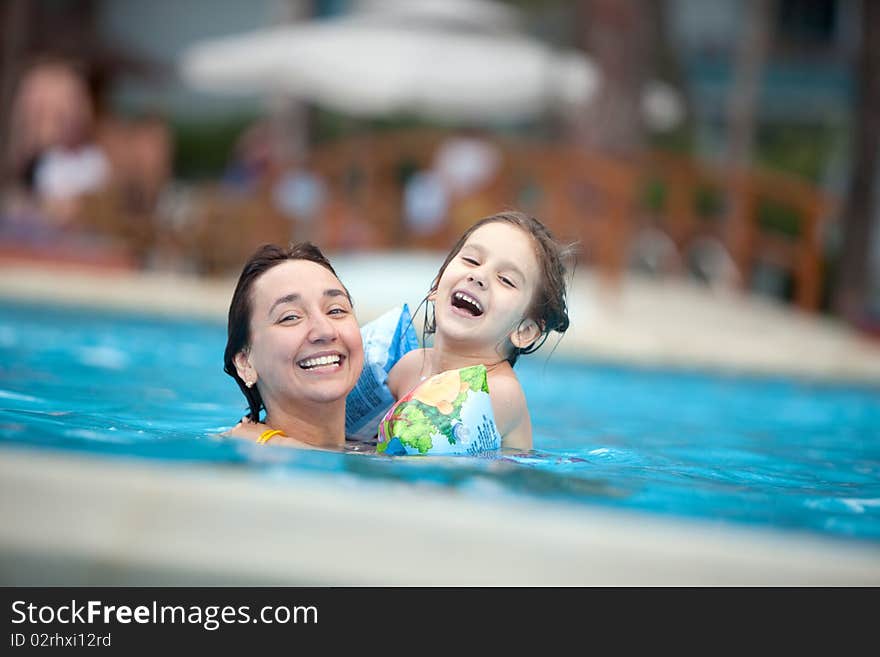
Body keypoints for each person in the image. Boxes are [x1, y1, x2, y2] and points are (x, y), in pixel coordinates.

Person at [386, 210, 573, 452]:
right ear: (437, 284)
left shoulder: (497, 392)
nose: (478, 276)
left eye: (506, 279)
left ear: (524, 330)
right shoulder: (410, 367)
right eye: (471, 261)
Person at [223, 242, 364, 449]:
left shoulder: (383, 446)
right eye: (290, 317)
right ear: (245, 363)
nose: (325, 331)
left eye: (336, 310)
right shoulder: (232, 463)